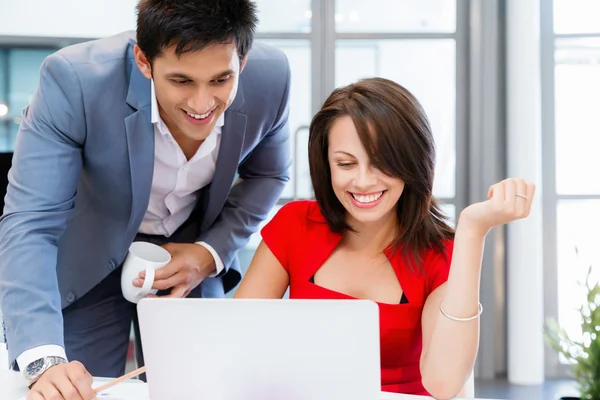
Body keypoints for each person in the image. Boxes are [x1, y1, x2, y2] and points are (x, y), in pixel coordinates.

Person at [0, 0, 291, 398]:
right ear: (143, 60)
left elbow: (269, 175)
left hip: (189, 258)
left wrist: (210, 252)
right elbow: (31, 220)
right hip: (89, 261)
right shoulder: (74, 80)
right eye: (182, 81)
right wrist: (43, 361)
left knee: (201, 389)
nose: (202, 104)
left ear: (243, 59)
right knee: (68, 390)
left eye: (221, 80)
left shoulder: (272, 78)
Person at [234, 77, 535, 398]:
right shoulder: (296, 224)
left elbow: (444, 383)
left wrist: (473, 230)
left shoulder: (439, 252)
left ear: (411, 162)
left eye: (381, 163)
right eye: (346, 163)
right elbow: (240, 342)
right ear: (326, 164)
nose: (363, 181)